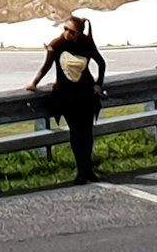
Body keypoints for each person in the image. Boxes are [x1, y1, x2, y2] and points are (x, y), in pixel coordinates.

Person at [27, 12, 107, 183]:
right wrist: (34, 83)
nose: (67, 33)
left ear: (79, 33)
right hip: (67, 96)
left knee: (87, 134)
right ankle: (81, 171)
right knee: (76, 134)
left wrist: (98, 84)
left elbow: (101, 63)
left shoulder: (86, 44)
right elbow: (46, 66)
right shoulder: (57, 45)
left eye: (71, 31)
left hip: (86, 94)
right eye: (65, 29)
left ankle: (88, 170)